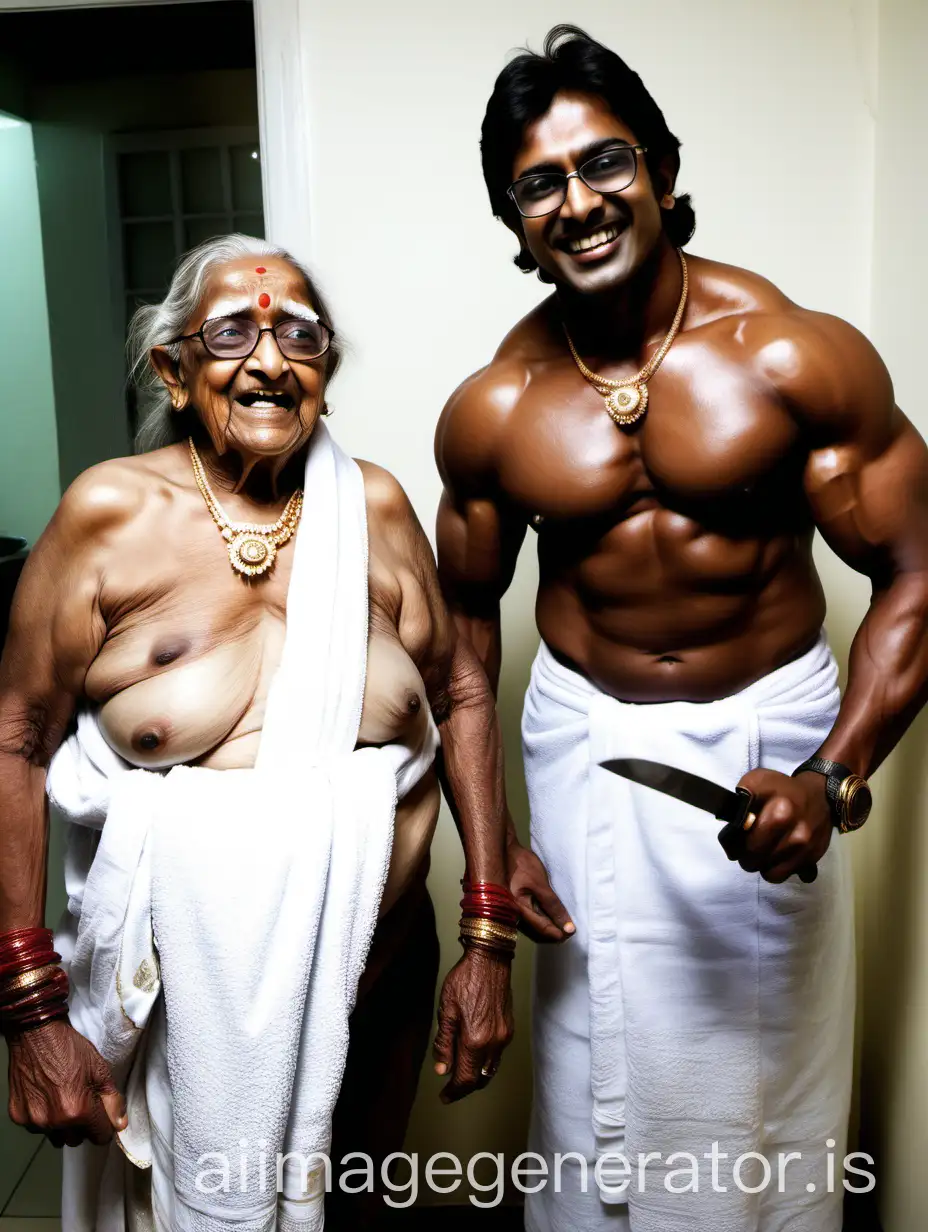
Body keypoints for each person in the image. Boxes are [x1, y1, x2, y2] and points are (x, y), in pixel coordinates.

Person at [435, 25, 928, 1232]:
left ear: (656, 166)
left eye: (604, 162)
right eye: (539, 183)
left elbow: (918, 569)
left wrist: (834, 774)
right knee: (588, 1056)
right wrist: (491, 860)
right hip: (584, 740)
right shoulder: (497, 407)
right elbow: (459, 636)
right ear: (513, 222)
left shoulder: (788, 356)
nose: (579, 201)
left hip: (771, 728)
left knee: (764, 1068)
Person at [0, 234, 516, 1232]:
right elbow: (17, 736)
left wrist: (485, 937)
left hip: (375, 972)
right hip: (177, 1002)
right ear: (174, 369)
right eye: (233, 331)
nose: (270, 361)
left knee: (353, 1209)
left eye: (301, 337)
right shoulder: (109, 513)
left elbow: (459, 692)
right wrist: (30, 1009)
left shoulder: (371, 506)